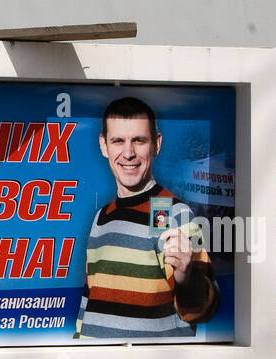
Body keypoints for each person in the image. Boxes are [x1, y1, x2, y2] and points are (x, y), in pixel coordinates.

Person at [75, 96, 220, 338]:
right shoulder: (102, 217)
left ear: (156, 144)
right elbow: (89, 300)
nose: (128, 153)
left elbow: (204, 309)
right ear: (104, 145)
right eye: (118, 141)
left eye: (139, 140)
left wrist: (187, 277)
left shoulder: (171, 212)